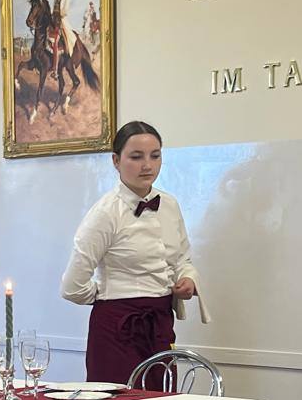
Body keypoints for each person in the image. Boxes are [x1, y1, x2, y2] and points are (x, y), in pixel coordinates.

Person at [60, 120, 199, 383]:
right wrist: (111, 295)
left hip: (160, 324)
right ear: (116, 160)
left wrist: (188, 279)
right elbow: (71, 287)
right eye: (136, 157)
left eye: (155, 156)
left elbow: (183, 259)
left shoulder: (170, 205)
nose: (147, 165)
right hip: (116, 329)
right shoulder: (105, 213)